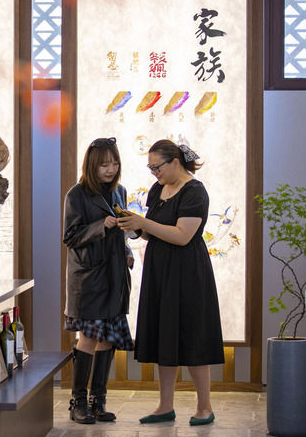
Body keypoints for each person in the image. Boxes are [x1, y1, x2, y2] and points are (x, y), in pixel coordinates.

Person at [117, 139, 224, 427]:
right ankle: (165, 405)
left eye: (157, 167)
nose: (154, 173)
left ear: (175, 162)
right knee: (164, 335)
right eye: (150, 168)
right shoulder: (158, 189)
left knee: (194, 334)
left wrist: (144, 223)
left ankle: (205, 407)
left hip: (188, 272)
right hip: (159, 270)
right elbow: (152, 232)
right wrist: (133, 225)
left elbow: (182, 236)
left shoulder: (195, 191)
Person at [63, 137, 135, 425]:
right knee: (89, 337)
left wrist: (128, 253)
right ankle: (78, 403)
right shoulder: (76, 194)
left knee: (109, 338)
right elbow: (70, 237)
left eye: (114, 163)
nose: (110, 169)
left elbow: (123, 232)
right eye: (104, 164)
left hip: (115, 277)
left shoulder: (120, 191)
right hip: (89, 280)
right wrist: (100, 226)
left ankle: (98, 402)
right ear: (91, 165)